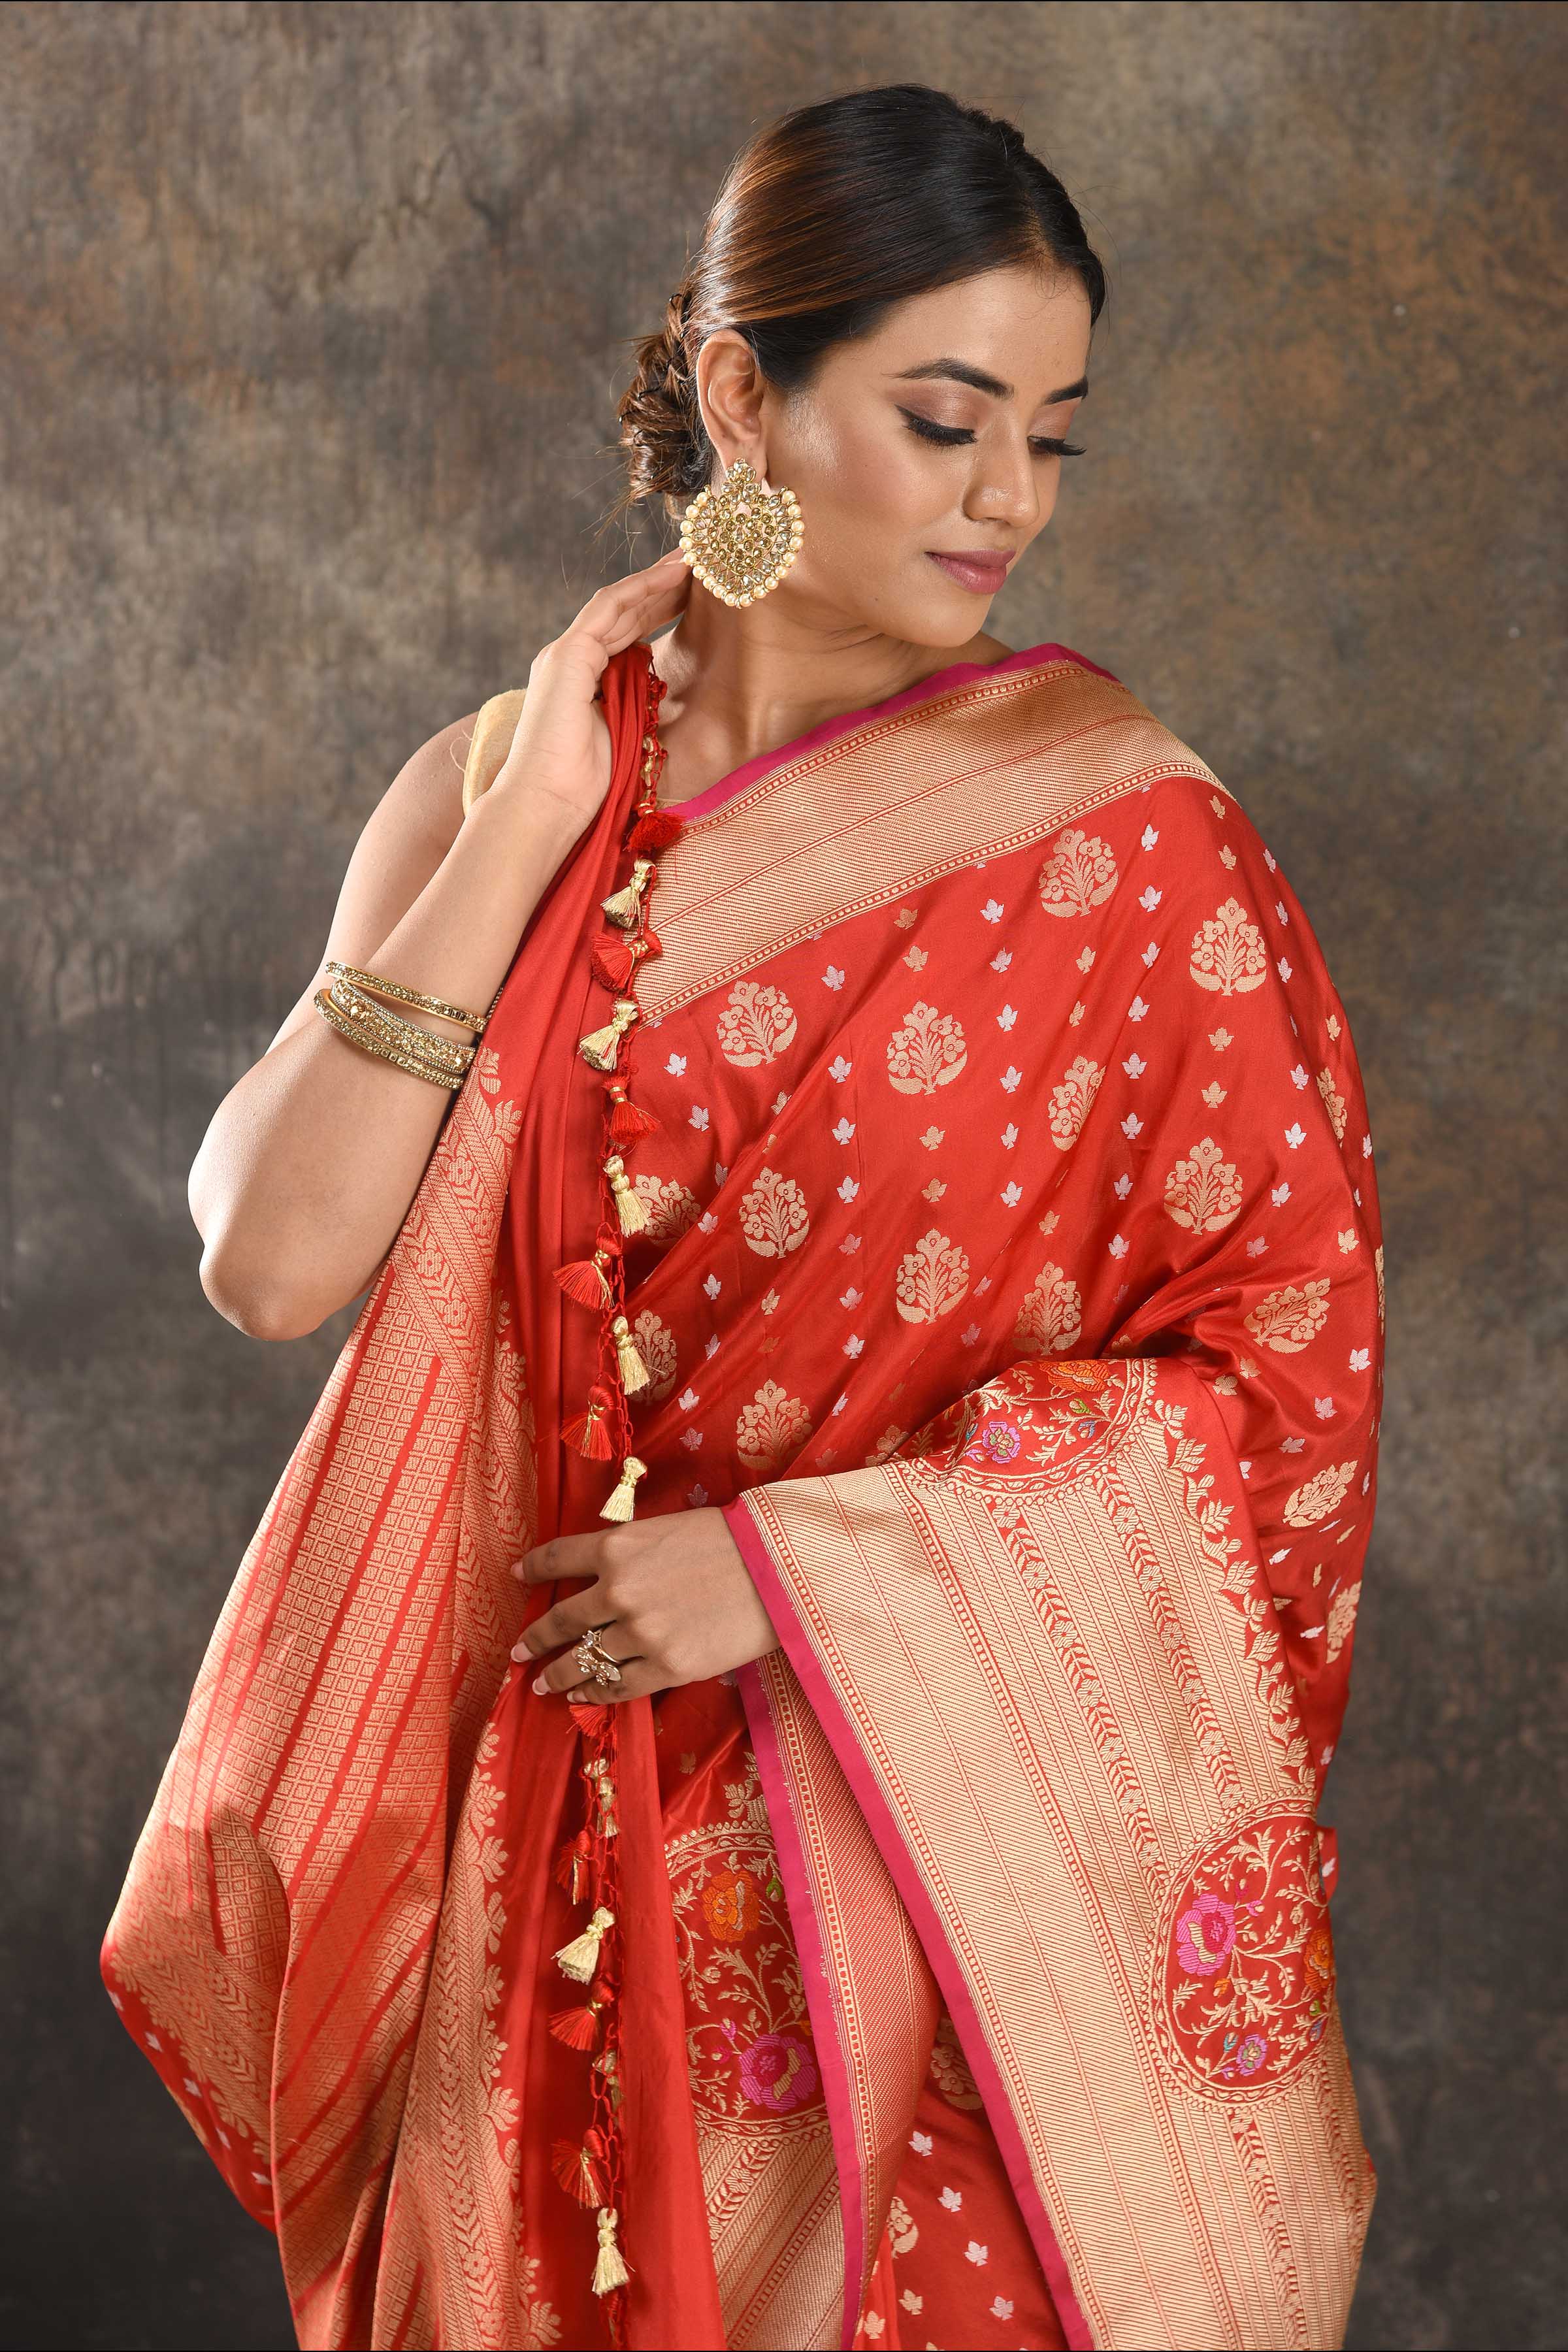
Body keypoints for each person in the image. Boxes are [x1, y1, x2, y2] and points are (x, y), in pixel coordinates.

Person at [104, 83, 1383, 2352]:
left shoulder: (1121, 839)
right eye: (946, 420)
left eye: (1052, 439)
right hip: (544, 1873)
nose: (1010, 497)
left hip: (936, 1897)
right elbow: (271, 1261)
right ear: (739, 396)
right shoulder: (501, 779)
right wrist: (540, 811)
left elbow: (1282, 1382)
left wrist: (798, 1574)